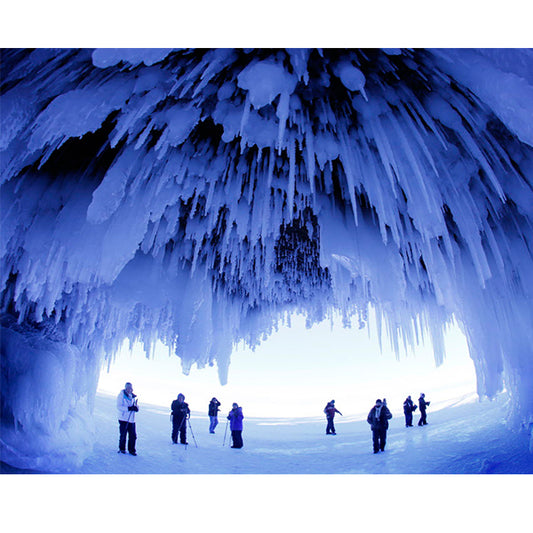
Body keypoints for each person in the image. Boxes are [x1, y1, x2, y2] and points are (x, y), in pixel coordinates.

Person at [117, 382, 139, 455]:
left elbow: (136, 405)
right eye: (128, 388)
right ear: (125, 388)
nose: (129, 389)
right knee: (123, 434)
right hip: (123, 418)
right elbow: (119, 406)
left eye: (130, 388)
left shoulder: (133, 396)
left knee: (133, 435)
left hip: (131, 419)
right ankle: (122, 448)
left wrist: (136, 408)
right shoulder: (121, 395)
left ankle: (132, 450)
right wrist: (128, 408)